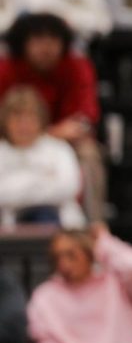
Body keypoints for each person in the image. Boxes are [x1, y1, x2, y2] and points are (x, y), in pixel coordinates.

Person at [0, 13, 105, 221]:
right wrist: (32, 133)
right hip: (8, 139)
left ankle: (94, 227)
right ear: (23, 43)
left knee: (89, 154)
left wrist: (44, 137)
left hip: (63, 141)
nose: (46, 48)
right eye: (38, 40)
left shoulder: (77, 67)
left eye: (53, 40)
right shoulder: (5, 69)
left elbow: (85, 118)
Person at [0, 85, 84, 228]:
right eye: (17, 117)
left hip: (59, 228)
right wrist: (41, 182)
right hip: (8, 231)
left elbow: (68, 187)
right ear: (5, 120)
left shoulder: (59, 149)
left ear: (41, 119)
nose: (24, 125)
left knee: (44, 214)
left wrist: (16, 187)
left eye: (30, 117)